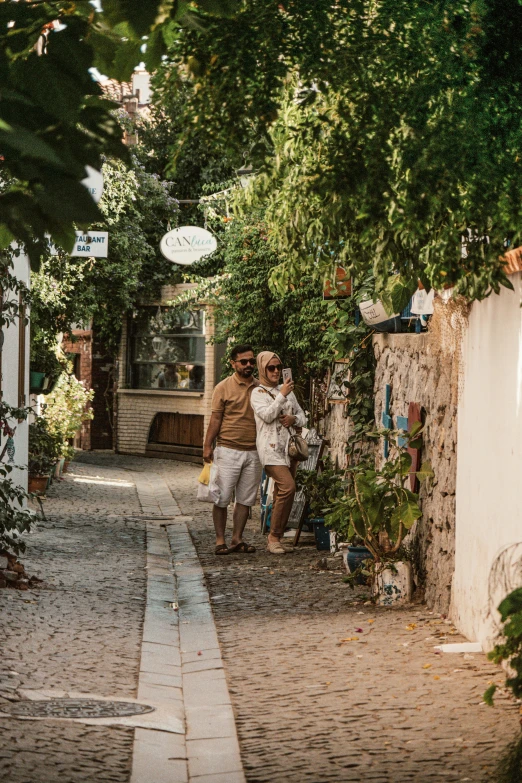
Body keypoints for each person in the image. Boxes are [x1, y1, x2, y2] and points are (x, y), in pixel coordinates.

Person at [203, 344, 262, 555]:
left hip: (254, 451)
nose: (248, 365)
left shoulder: (260, 387)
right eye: (244, 361)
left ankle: (237, 539)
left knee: (245, 499)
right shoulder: (223, 387)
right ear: (233, 363)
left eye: (251, 361)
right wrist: (207, 446)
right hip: (228, 449)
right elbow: (215, 418)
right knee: (221, 497)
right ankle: (220, 540)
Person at [251, 351, 307, 554]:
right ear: (262, 369)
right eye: (270, 368)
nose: (275, 371)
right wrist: (281, 394)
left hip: (289, 449)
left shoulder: (288, 391)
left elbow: (302, 415)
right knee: (288, 487)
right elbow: (267, 416)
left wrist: (294, 420)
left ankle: (277, 538)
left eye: (278, 366)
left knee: (283, 494)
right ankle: (273, 536)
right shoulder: (257, 393)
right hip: (270, 449)